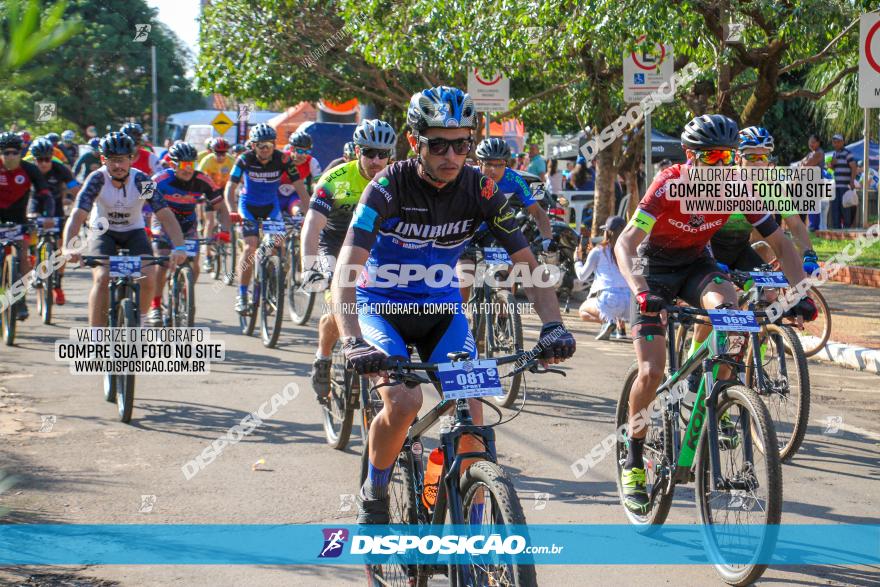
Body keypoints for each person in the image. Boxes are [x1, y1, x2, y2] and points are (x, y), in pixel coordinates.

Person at [332, 86, 576, 524]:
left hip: (441, 311)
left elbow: (528, 265)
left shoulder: (481, 189)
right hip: (379, 306)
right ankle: (377, 486)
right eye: (438, 143)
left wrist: (553, 326)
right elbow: (345, 273)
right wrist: (351, 341)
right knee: (404, 403)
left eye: (461, 143)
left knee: (472, 421)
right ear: (414, 142)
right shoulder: (385, 188)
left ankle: (475, 529)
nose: (451, 154)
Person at [613, 114, 816, 515]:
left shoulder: (738, 188)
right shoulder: (669, 183)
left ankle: (712, 396)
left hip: (697, 266)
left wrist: (800, 294)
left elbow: (782, 240)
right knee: (651, 372)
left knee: (734, 323)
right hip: (653, 271)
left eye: (728, 156)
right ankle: (633, 459)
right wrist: (639, 291)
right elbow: (626, 242)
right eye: (714, 157)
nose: (723, 165)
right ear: (690, 156)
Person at [301, 119, 397, 404]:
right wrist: (309, 267)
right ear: (357, 151)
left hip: (374, 249)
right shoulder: (334, 179)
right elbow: (312, 226)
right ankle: (323, 357)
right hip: (334, 245)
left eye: (383, 154)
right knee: (337, 305)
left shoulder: (398, 179)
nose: (376, 160)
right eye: (369, 152)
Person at [62, 132, 186, 327]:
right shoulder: (97, 179)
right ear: (103, 160)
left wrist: (179, 246)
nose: (118, 166)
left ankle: (142, 321)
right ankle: (96, 339)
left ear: (131, 159)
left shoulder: (142, 181)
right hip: (103, 232)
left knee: (148, 276)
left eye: (122, 160)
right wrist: (69, 246)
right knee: (102, 278)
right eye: (112, 161)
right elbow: (78, 214)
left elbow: (164, 214)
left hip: (134, 231)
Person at [225, 123, 308, 314]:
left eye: (269, 145)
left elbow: (300, 187)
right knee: (250, 246)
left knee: (279, 245)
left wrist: (310, 212)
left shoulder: (283, 159)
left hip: (271, 208)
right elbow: (230, 188)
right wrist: (231, 210)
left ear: (274, 145)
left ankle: (271, 283)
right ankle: (243, 294)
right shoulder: (244, 159)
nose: (265, 150)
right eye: (261, 146)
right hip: (248, 208)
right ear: (253, 146)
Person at [458, 137, 553, 303]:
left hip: (494, 231)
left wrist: (547, 239)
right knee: (465, 277)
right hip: (467, 232)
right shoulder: (467, 177)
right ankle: (460, 317)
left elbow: (537, 212)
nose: (493, 170)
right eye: (488, 164)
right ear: (479, 163)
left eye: (499, 164)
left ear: (506, 164)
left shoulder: (514, 179)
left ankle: (505, 317)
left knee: (505, 275)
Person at [147, 142, 231, 326]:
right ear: (172, 164)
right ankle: (155, 305)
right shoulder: (158, 179)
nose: (188, 169)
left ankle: (184, 291)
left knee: (194, 266)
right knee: (161, 263)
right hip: (162, 223)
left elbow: (221, 208)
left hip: (188, 225)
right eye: (183, 165)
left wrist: (224, 231)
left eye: (191, 164)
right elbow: (140, 204)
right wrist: (143, 227)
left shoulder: (203, 180)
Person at [0, 131, 54, 320]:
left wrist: (48, 216)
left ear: (21, 153)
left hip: (19, 219)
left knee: (23, 254)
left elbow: (45, 194)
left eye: (14, 152)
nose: (10, 157)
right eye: (5, 153)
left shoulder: (30, 169)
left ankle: (20, 299)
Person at [29, 138, 82, 304]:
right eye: (40, 160)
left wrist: (76, 206)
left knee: (60, 246)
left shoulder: (60, 169)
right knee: (28, 231)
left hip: (56, 206)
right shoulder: (28, 170)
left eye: (47, 159)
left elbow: (76, 190)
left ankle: (57, 284)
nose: (44, 164)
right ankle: (33, 258)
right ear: (34, 159)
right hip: (34, 205)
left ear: (52, 157)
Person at [575, 215, 630, 340]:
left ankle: (608, 322)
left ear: (607, 232)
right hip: (630, 302)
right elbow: (642, 274)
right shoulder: (633, 250)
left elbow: (582, 276)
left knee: (583, 311)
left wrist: (577, 260)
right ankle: (620, 330)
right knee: (619, 300)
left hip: (609, 299)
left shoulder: (599, 251)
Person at [197, 138, 234, 267]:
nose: (220, 156)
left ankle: (225, 234)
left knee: (228, 212)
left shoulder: (231, 160)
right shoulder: (206, 161)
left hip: (224, 189)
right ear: (212, 152)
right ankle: (207, 256)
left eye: (223, 153)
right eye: (217, 153)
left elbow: (238, 178)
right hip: (210, 190)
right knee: (210, 222)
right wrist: (200, 194)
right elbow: (199, 178)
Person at [828, 134, 858, 229]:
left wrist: (852, 181)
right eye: (834, 142)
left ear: (842, 142)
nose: (835, 144)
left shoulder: (847, 153)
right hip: (836, 186)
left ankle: (847, 229)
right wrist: (832, 165)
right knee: (835, 209)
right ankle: (837, 229)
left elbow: (854, 167)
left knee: (845, 208)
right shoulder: (834, 154)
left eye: (837, 142)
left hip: (845, 186)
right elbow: (833, 168)